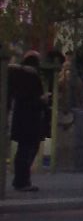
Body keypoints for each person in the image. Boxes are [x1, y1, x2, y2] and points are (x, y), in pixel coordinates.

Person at [7, 50, 49, 192]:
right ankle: (22, 181)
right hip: (31, 119)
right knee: (28, 150)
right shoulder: (32, 77)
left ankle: (20, 180)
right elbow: (31, 100)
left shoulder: (16, 74)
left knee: (23, 150)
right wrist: (42, 100)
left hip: (20, 119)